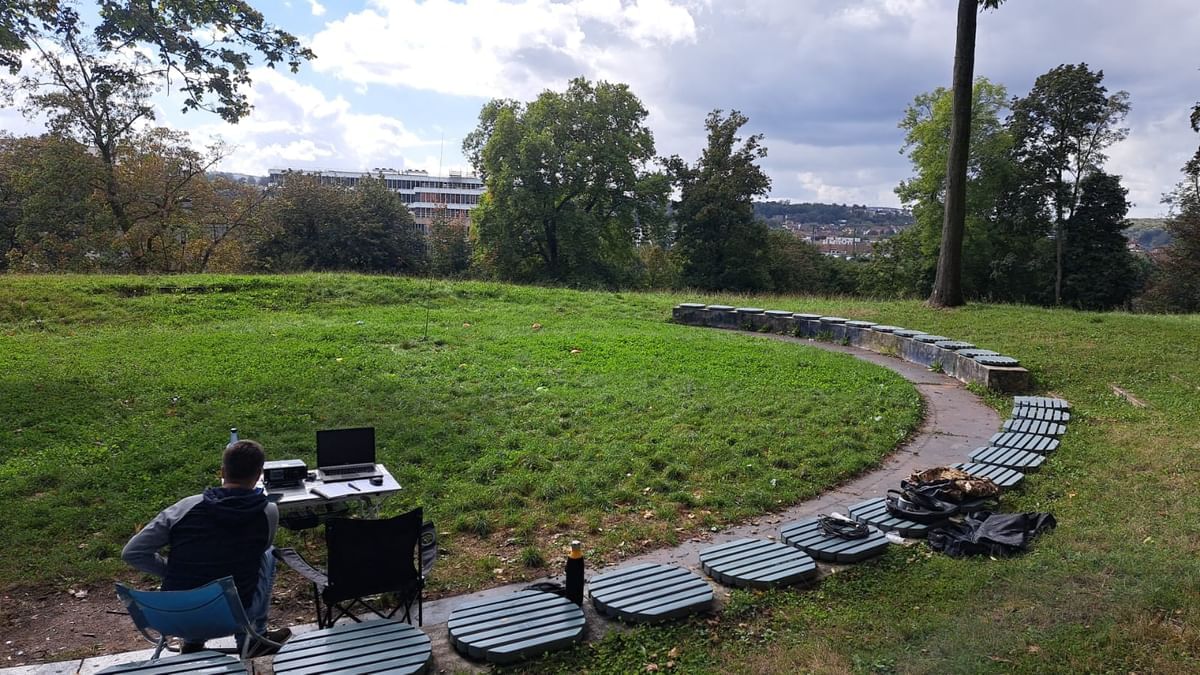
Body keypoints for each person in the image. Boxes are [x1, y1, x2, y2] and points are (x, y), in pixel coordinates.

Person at [122, 439, 289, 654]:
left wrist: (169, 570)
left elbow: (132, 552)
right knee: (268, 553)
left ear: (222, 471)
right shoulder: (268, 511)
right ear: (258, 475)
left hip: (175, 616)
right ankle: (255, 637)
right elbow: (259, 551)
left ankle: (192, 641)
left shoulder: (185, 507)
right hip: (235, 617)